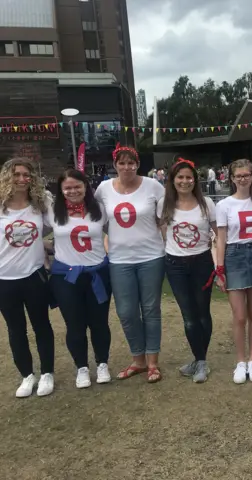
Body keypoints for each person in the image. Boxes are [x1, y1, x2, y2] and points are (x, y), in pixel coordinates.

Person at [95, 145, 166, 384]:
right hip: (119, 260)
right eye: (122, 163)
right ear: (115, 164)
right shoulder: (104, 189)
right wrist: (105, 244)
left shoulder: (153, 186)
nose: (127, 167)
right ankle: (138, 359)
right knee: (126, 312)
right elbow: (97, 221)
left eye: (132, 162)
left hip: (151, 257)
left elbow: (163, 219)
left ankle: (153, 362)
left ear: (138, 164)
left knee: (150, 310)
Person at [48, 169, 112, 389]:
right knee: (74, 324)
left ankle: (102, 363)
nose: (73, 191)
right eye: (68, 187)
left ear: (86, 187)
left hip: (97, 273)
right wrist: (47, 252)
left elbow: (116, 232)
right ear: (61, 190)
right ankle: (81, 367)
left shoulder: (99, 210)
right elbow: (33, 233)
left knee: (99, 322)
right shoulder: (52, 212)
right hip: (66, 276)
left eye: (77, 186)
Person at [0, 158, 55, 397]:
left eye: (27, 175)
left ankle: (47, 373)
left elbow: (58, 226)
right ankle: (26, 375)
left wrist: (49, 247)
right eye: (17, 174)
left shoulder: (40, 204)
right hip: (4, 279)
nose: (22, 179)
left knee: (41, 325)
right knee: (15, 329)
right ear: (7, 177)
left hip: (34, 276)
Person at [158, 158, 216, 384]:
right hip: (175, 265)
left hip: (201, 262)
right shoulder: (164, 203)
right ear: (172, 180)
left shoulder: (207, 203)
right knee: (188, 316)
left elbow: (217, 234)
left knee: (203, 312)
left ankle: (200, 361)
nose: (184, 181)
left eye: (188, 177)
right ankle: (200, 359)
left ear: (195, 180)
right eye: (180, 177)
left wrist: (218, 262)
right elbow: (161, 228)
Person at [215, 159, 252, 384]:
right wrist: (220, 268)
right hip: (233, 257)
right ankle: (240, 361)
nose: (243, 179)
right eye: (238, 176)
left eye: (246, 175)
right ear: (232, 178)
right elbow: (221, 239)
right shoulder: (224, 205)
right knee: (239, 315)